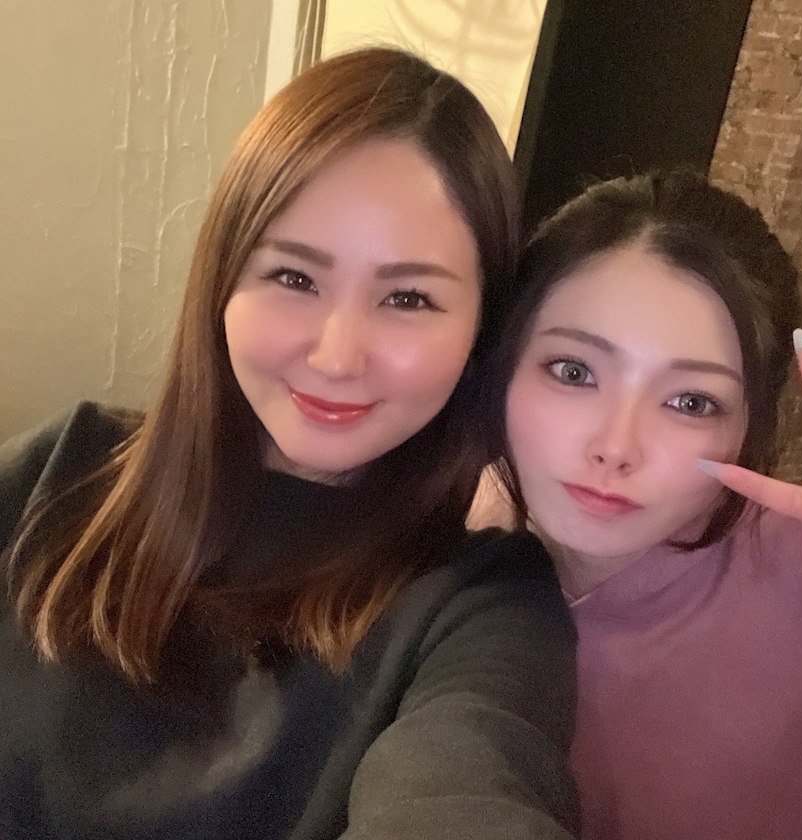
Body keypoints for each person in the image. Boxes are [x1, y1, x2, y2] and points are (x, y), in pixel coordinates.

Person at [0, 47, 579, 839]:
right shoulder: (56, 472)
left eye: (409, 298)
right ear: (222, 284)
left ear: (482, 330)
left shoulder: (480, 605)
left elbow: (469, 778)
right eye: (295, 279)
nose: (337, 356)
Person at [485, 169, 802, 839]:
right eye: (573, 371)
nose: (616, 447)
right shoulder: (415, 550)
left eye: (690, 402)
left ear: (750, 427)